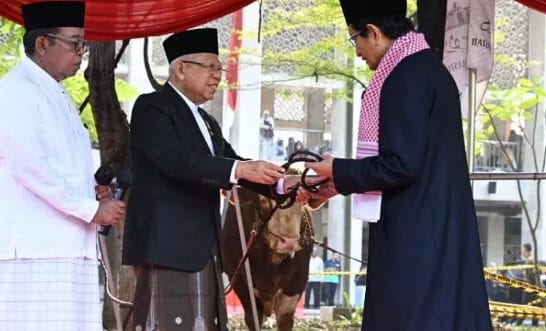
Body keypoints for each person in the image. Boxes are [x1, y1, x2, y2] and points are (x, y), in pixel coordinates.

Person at [304, 0, 492, 329]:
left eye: (355, 40)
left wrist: (338, 169)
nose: (358, 52)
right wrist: (341, 182)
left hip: (415, 239)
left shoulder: (404, 77)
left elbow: (401, 165)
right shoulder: (428, 68)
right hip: (437, 228)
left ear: (373, 32)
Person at [122, 28, 308, 331]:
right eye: (210, 67)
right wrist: (238, 169)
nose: (217, 76)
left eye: (219, 69)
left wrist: (281, 184)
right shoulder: (152, 107)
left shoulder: (207, 121)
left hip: (205, 249)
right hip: (169, 248)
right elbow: (177, 161)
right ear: (181, 69)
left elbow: (235, 164)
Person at [0, 2, 126, 330]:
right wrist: (89, 207)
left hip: (67, 245)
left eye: (83, 44)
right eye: (75, 43)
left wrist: (91, 192)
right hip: (36, 250)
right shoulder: (15, 92)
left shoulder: (55, 93)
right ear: (43, 44)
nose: (81, 52)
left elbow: (60, 166)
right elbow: (31, 168)